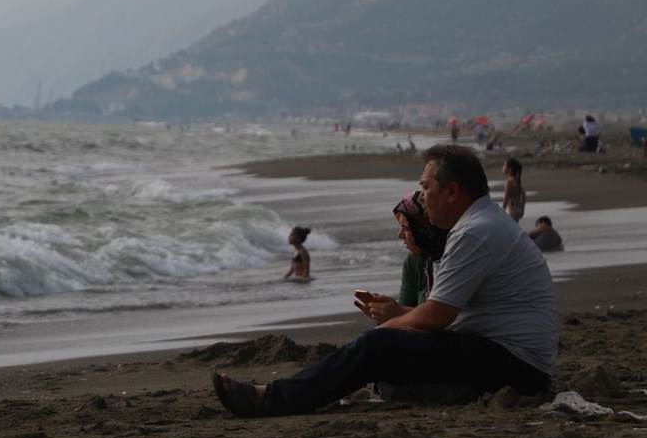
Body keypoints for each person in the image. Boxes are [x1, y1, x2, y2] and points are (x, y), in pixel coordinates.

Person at [213, 144, 557, 417]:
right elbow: (440, 315)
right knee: (386, 361)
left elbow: (437, 315)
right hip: (516, 362)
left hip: (516, 366)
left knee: (375, 347)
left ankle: (270, 399)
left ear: (452, 192)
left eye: (425, 186)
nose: (420, 196)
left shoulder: (474, 232)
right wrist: (398, 323)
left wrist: (388, 329)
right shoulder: (482, 223)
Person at [501, 158, 526, 223]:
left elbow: (506, 198)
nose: (503, 168)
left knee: (511, 229)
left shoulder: (509, 182)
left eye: (504, 165)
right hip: (518, 208)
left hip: (513, 209)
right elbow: (524, 195)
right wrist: (522, 208)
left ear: (509, 169)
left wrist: (502, 210)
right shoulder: (516, 181)